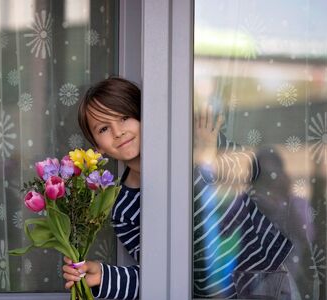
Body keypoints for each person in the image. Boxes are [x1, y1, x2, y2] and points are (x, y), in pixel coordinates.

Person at [62, 76, 293, 299]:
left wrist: (207, 157)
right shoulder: (123, 209)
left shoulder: (193, 142)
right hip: (210, 294)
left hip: (265, 277)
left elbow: (251, 170)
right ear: (97, 148)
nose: (118, 131)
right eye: (103, 128)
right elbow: (155, 275)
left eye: (124, 118)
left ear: (145, 116)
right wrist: (103, 276)